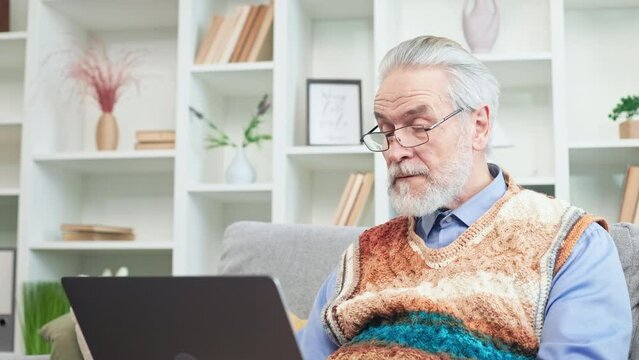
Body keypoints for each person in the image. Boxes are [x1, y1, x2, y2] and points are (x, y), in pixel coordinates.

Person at [297, 36, 632, 360]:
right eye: (385, 131)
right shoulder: (363, 255)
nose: (395, 151)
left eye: (418, 126)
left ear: (479, 126)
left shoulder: (570, 242)